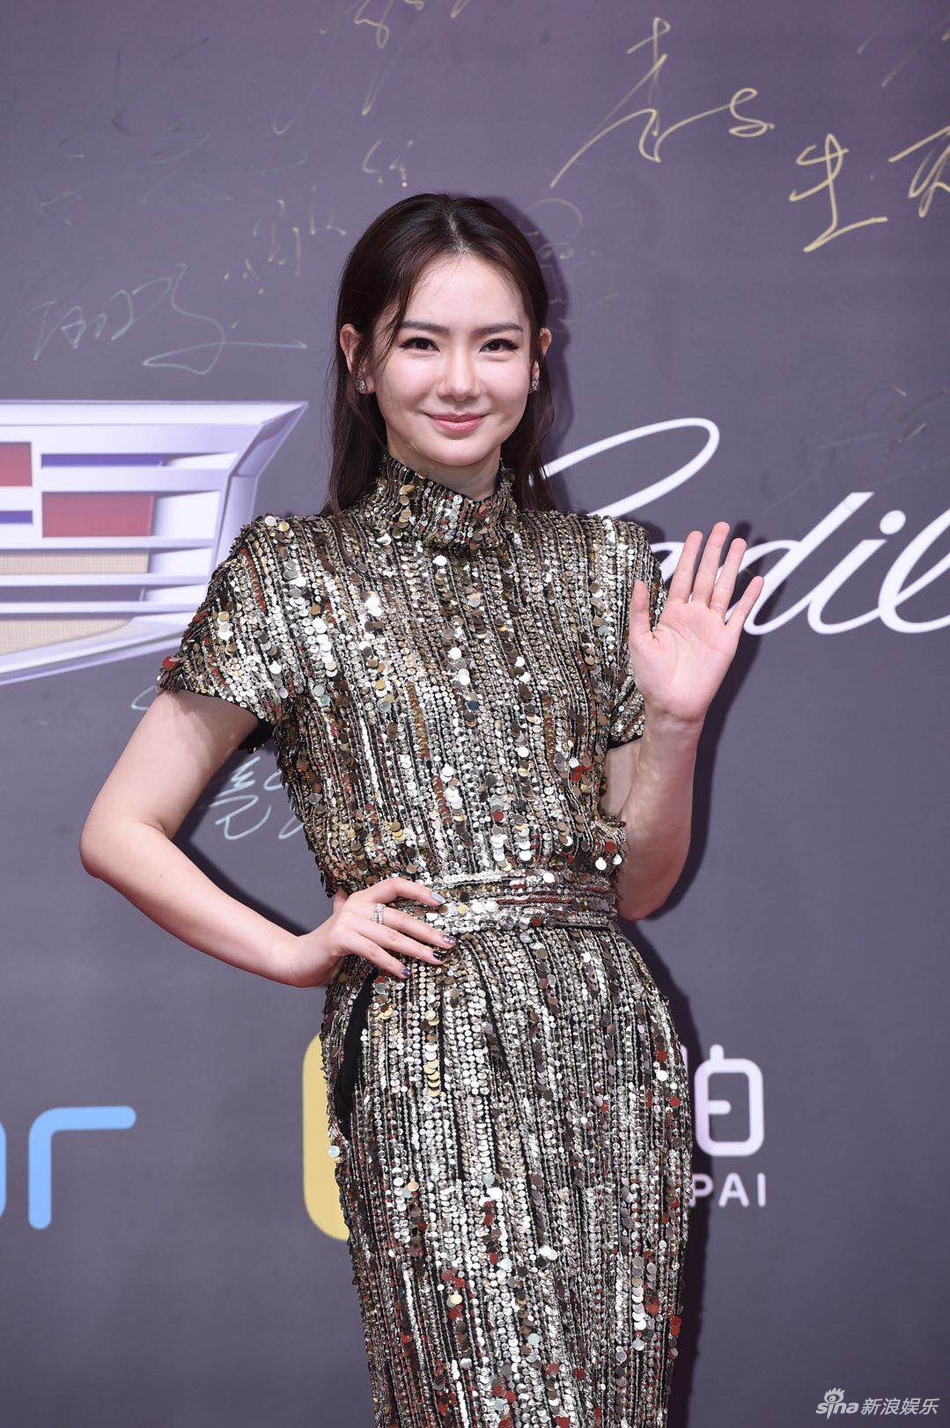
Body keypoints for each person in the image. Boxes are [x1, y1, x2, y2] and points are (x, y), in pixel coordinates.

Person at [81, 192, 763, 1427]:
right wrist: (298, 951)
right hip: (425, 1050)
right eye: (420, 342)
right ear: (359, 360)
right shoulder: (291, 575)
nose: (460, 380)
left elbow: (637, 887)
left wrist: (672, 722)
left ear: (537, 360)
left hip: (608, 1053)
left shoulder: (605, 568)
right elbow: (118, 830)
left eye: (494, 344)